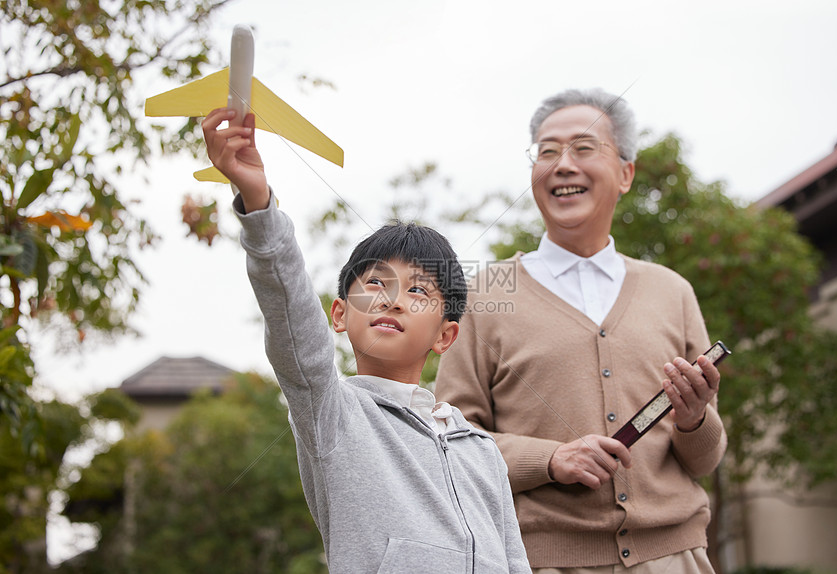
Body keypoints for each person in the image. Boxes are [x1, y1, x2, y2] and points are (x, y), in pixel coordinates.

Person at [200, 107, 530, 573]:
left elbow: (514, 561)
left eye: (418, 290)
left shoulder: (481, 449)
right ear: (339, 314)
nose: (393, 299)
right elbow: (293, 321)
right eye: (376, 283)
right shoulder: (332, 414)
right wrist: (259, 205)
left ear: (445, 335)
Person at [434, 88, 727, 573]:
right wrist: (550, 459)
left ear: (626, 173)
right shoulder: (485, 292)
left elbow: (704, 461)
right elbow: (452, 444)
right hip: (544, 562)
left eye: (584, 148)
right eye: (547, 151)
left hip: (676, 559)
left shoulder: (670, 291)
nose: (563, 165)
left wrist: (696, 420)